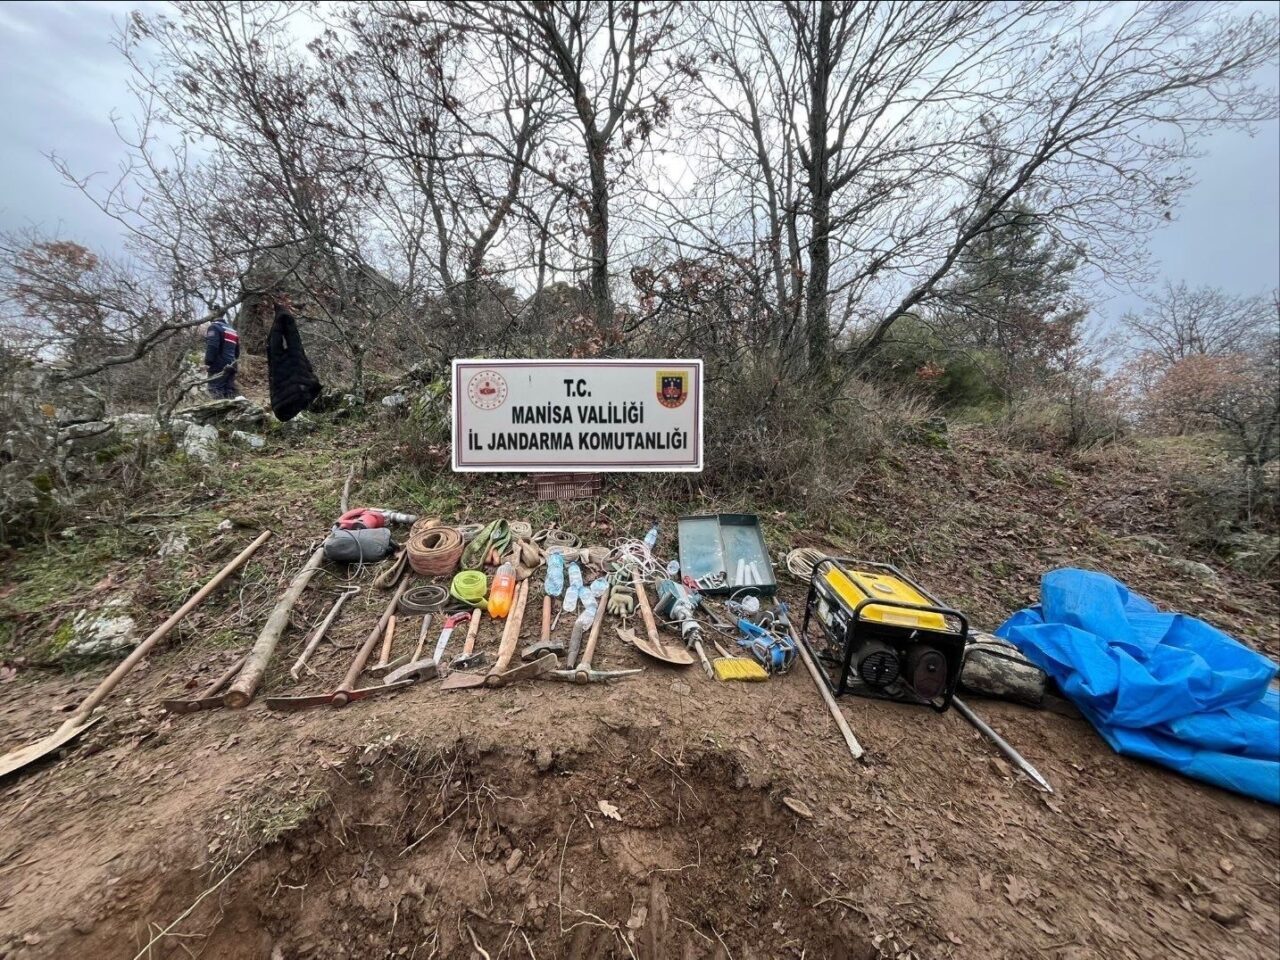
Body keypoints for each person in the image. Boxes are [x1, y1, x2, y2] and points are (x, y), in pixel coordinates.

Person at [204, 316, 241, 399]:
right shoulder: (232, 330)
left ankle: (218, 411)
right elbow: (237, 351)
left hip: (218, 365)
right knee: (229, 391)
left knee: (215, 390)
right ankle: (233, 411)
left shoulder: (214, 327)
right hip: (232, 363)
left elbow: (212, 346)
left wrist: (208, 362)